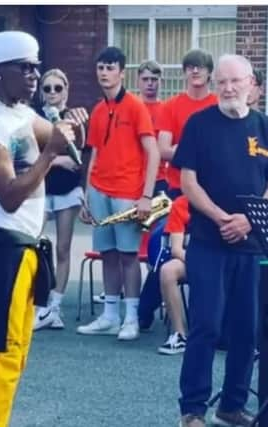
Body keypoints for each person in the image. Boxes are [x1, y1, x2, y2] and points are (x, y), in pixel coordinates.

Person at [0, 31, 86, 426]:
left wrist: (73, 131)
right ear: (0, 73)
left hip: (26, 248)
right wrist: (50, 154)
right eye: (26, 68)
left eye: (36, 67)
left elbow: (69, 149)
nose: (34, 76)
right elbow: (9, 195)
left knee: (17, 353)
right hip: (1, 248)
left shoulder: (23, 115)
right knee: (1, 354)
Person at [172, 54, 268, 427]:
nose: (227, 88)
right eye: (221, 82)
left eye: (234, 81)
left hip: (252, 247)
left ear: (252, 84)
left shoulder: (266, 126)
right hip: (208, 242)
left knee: (246, 331)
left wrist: (249, 219)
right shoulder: (199, 124)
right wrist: (221, 217)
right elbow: (187, 182)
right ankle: (192, 410)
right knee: (206, 326)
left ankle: (231, 406)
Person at [77, 46, 160, 341]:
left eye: (110, 67)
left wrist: (146, 196)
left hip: (128, 192)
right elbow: (95, 153)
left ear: (122, 72)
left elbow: (153, 152)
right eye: (100, 67)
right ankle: (110, 315)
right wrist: (87, 194)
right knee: (107, 254)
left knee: (128, 256)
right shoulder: (98, 109)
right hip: (100, 189)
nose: (104, 73)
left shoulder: (136, 107)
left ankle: (132, 318)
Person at [33, 68, 85, 331]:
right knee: (34, 245)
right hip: (39, 189)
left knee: (63, 248)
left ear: (66, 89)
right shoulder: (34, 117)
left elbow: (79, 160)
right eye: (47, 88)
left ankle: (54, 306)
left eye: (58, 88)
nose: (52, 93)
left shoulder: (73, 118)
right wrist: (56, 160)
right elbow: (30, 155)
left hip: (67, 191)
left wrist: (58, 160)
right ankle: (36, 303)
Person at [157, 49, 218, 200]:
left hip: (213, 187)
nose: (195, 71)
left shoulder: (219, 105)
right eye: (190, 67)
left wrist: (181, 151)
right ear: (184, 72)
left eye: (200, 67)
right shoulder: (170, 106)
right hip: (178, 187)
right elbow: (163, 150)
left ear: (209, 72)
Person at [157, 195, 190, 355]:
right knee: (167, 270)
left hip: (223, 259)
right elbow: (177, 249)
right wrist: (201, 264)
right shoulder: (182, 204)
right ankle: (179, 335)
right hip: (192, 259)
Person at [137, 59, 169, 195]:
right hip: (133, 178)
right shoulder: (131, 108)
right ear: (138, 81)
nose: (149, 83)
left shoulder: (167, 110)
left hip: (160, 178)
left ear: (161, 81)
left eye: (154, 79)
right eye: (145, 79)